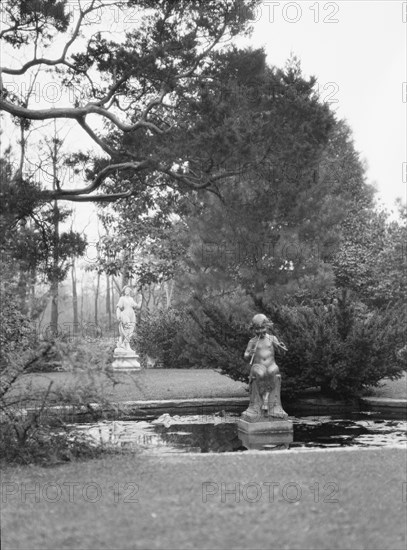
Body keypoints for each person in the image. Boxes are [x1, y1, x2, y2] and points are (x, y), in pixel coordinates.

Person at [242, 313, 288, 422]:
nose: (260, 331)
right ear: (253, 329)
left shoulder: (272, 339)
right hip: (258, 366)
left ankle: (269, 401)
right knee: (261, 374)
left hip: (271, 365)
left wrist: (282, 348)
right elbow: (245, 356)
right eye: (257, 329)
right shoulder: (252, 341)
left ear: (267, 327)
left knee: (273, 372)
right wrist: (249, 354)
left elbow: (282, 353)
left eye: (262, 328)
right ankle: (264, 399)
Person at [116, 286, 140, 352]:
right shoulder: (122, 298)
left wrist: (140, 300)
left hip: (132, 315)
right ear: (124, 291)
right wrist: (118, 315)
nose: (127, 291)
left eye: (128, 290)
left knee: (131, 330)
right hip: (125, 314)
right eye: (126, 290)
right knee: (127, 328)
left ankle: (125, 344)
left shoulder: (131, 299)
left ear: (130, 291)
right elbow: (118, 307)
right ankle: (125, 344)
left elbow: (137, 307)